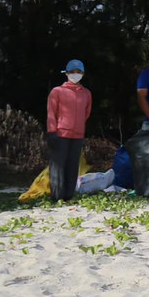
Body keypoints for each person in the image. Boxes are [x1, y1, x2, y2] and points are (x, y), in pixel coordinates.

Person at [47, 59, 92, 202]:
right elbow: (51, 113)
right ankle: (56, 196)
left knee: (73, 166)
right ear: (66, 74)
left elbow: (87, 113)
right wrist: (52, 132)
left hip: (78, 135)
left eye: (78, 72)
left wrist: (78, 127)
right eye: (72, 72)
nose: (75, 75)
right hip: (60, 134)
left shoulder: (86, 93)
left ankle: (68, 195)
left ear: (83, 74)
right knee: (58, 166)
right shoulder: (57, 91)